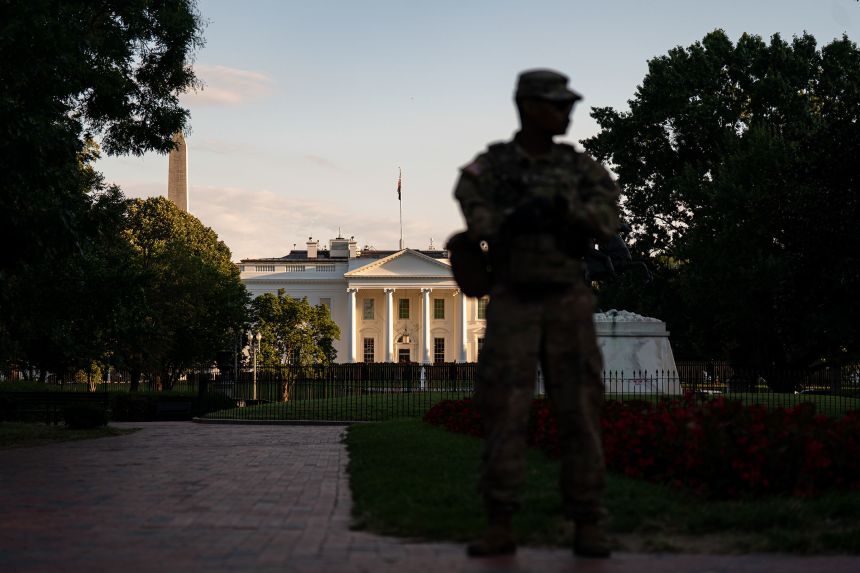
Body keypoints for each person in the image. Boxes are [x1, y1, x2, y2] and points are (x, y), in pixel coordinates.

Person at [452, 69, 620, 558]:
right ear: (528, 106)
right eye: (556, 103)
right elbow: (470, 197)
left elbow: (610, 215)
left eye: (568, 104)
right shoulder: (495, 164)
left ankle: (587, 520)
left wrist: (571, 215)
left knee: (580, 411)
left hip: (567, 299)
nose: (566, 111)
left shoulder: (580, 167)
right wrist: (507, 222)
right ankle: (500, 520)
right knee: (505, 410)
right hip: (514, 300)